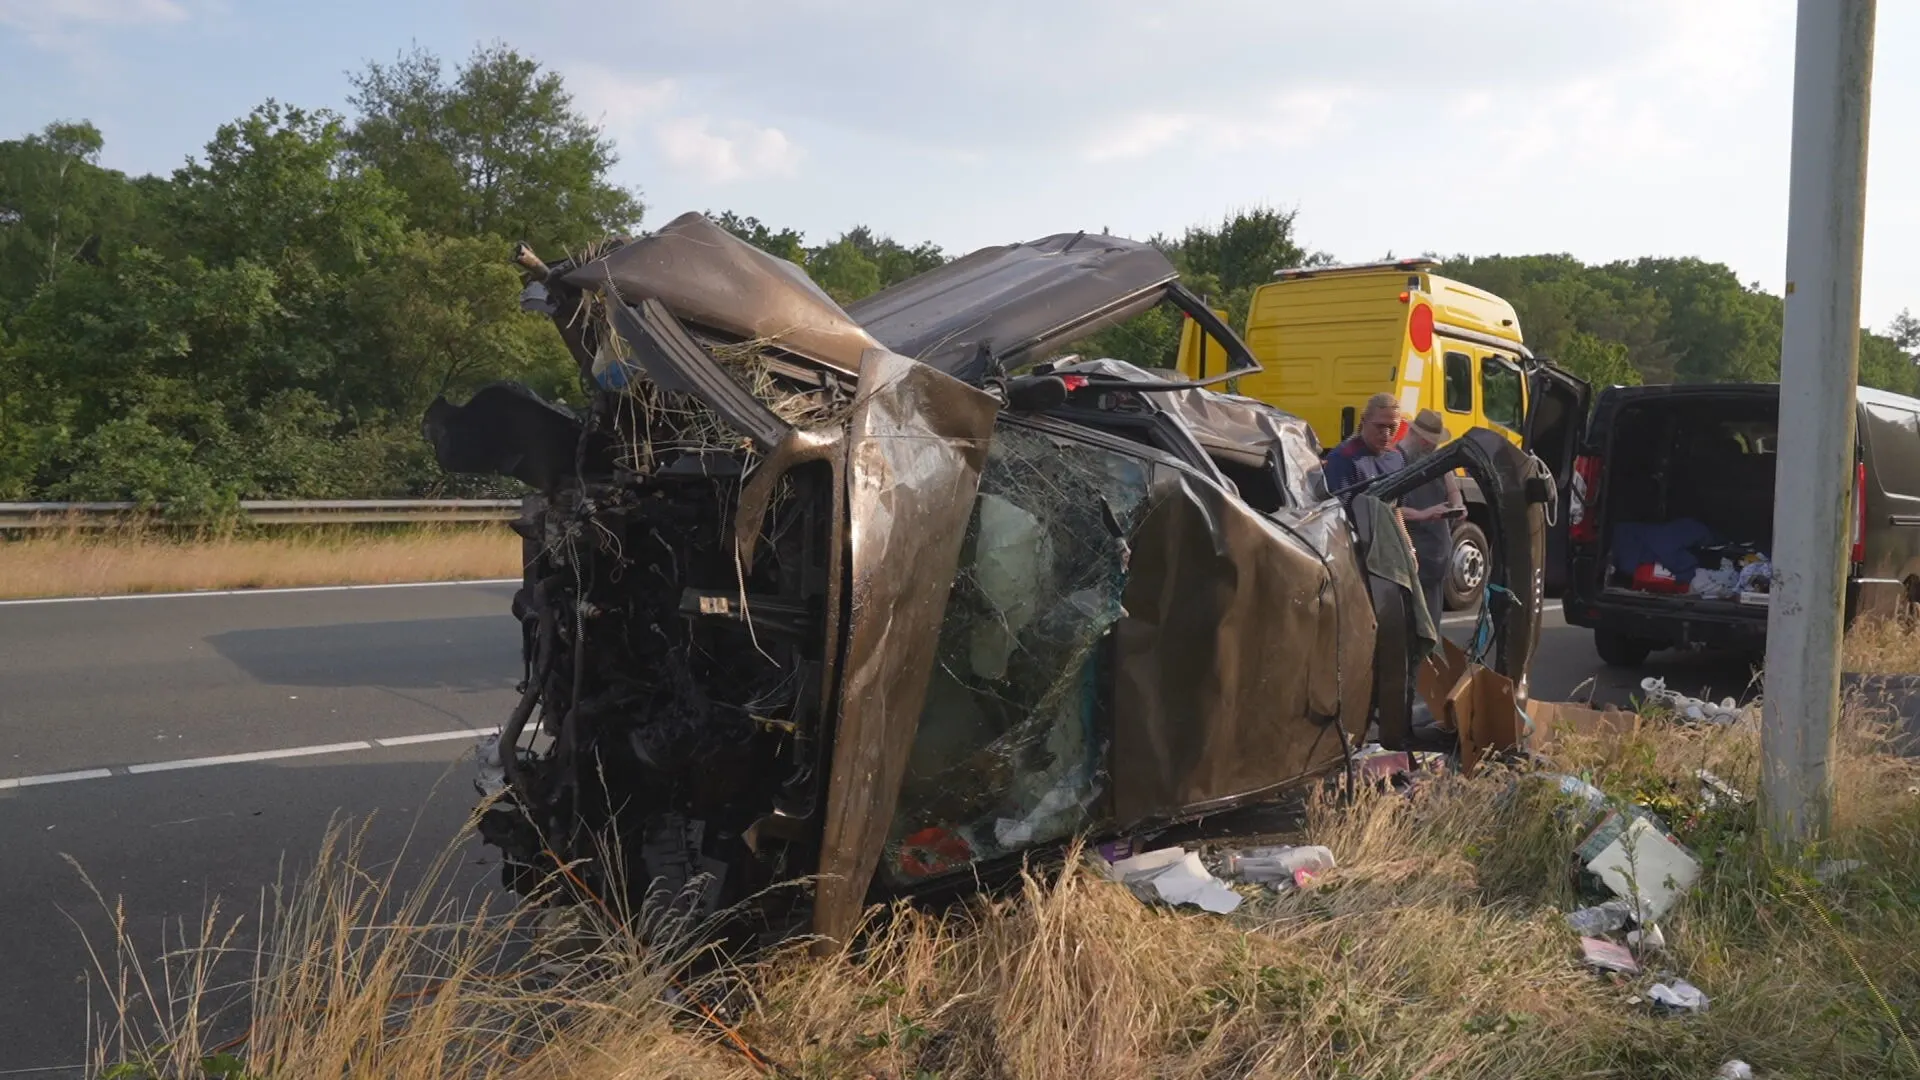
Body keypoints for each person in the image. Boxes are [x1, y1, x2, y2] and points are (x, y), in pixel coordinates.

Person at [1397, 409, 1466, 626]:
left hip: (1437, 554)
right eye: (1428, 441)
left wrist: (1458, 505)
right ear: (1415, 435)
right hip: (1410, 550)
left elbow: (1452, 490)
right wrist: (1422, 514)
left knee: (1432, 621)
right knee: (1409, 619)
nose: (1431, 446)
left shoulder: (1437, 461)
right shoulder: (1396, 461)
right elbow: (1390, 509)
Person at [1320, 392, 1406, 497]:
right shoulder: (1343, 459)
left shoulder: (1396, 457)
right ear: (1364, 421)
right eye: (1380, 426)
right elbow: (1339, 508)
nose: (1386, 434)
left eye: (1392, 427)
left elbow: (1401, 504)